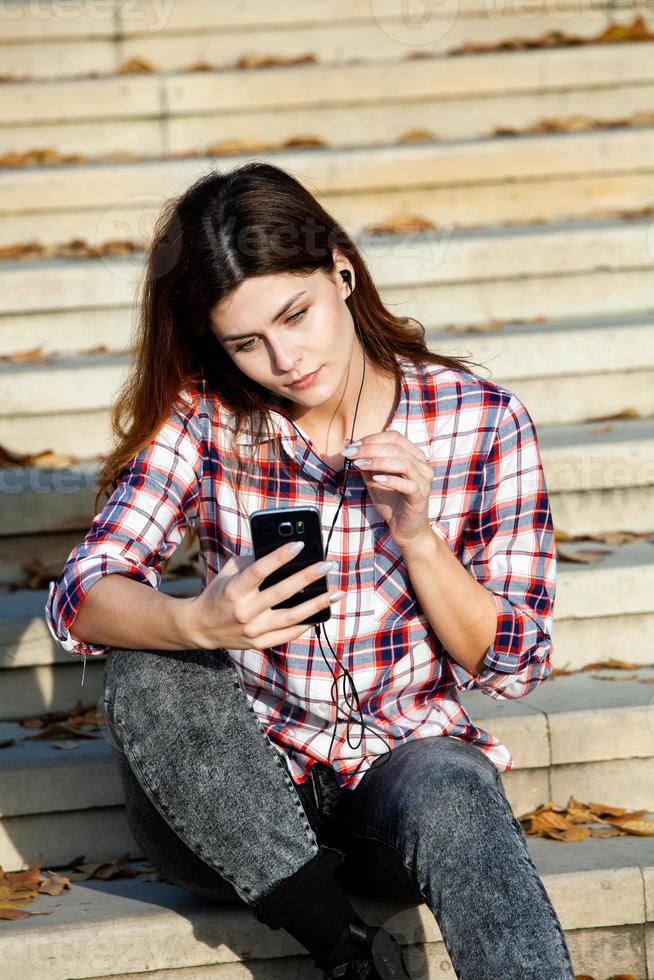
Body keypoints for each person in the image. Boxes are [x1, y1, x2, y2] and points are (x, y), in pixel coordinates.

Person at [45, 162, 575, 979]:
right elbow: (82, 592)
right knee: (154, 664)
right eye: (246, 343)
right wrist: (197, 621)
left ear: (342, 271)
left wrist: (421, 540)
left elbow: (514, 661)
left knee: (454, 786)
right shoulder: (207, 419)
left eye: (297, 315)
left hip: (395, 781)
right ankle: (343, 951)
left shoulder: (480, 418)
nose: (285, 360)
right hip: (226, 808)